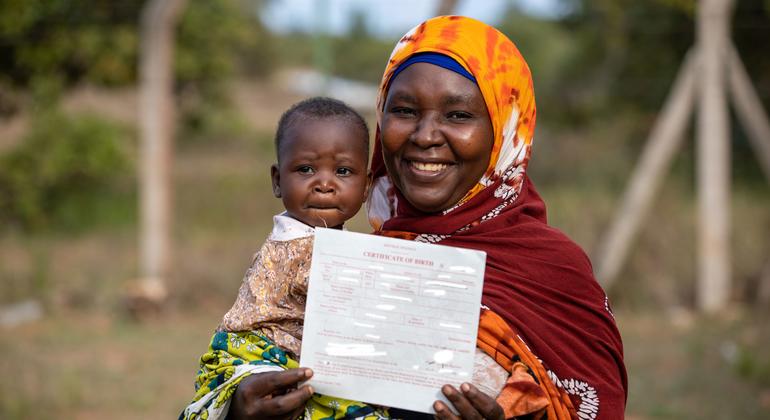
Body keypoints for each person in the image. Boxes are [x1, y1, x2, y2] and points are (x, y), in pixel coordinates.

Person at [186, 16, 628, 420]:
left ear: (505, 132)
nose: (425, 136)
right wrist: (238, 407)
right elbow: (242, 358)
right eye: (404, 111)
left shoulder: (552, 271)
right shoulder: (348, 260)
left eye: (458, 115)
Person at [181, 96, 377, 420]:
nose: (324, 184)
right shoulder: (298, 243)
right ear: (277, 180)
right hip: (262, 354)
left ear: (366, 185)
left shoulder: (328, 240)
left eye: (342, 171)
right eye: (306, 169)